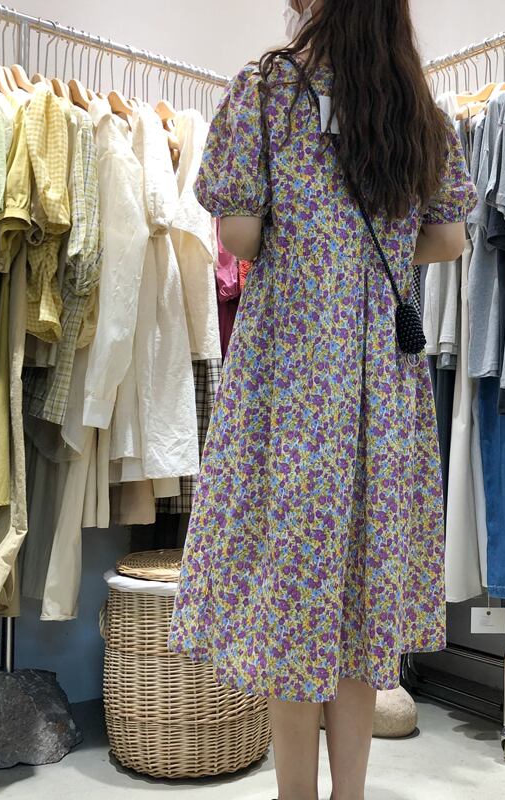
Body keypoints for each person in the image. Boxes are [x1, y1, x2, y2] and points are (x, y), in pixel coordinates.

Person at [170, 1, 475, 798]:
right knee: (359, 603)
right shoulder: (417, 107)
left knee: (295, 602)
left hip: (294, 376)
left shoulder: (268, 90)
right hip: (382, 385)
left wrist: (311, 237)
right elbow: (450, 238)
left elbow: (237, 231)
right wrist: (377, 247)